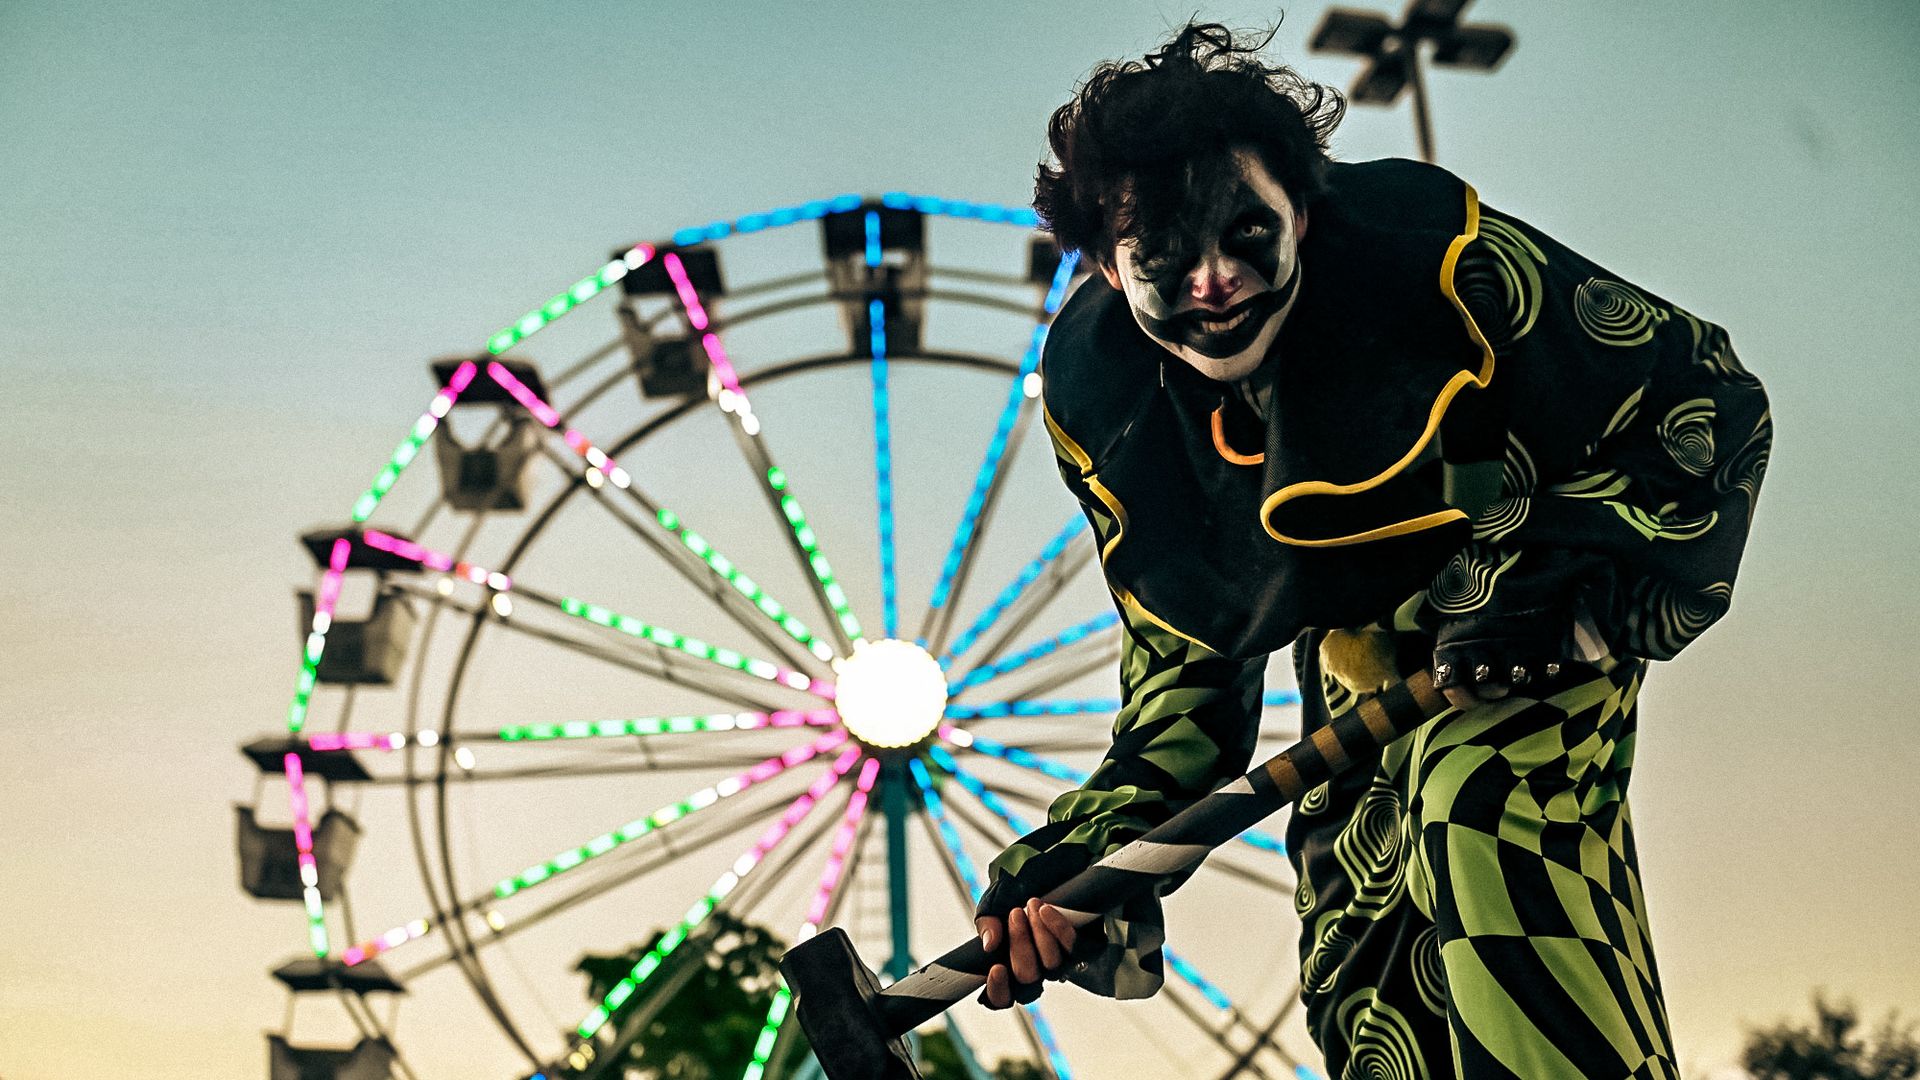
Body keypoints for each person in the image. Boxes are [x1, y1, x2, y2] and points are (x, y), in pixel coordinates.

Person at [970, 22, 1770, 1080]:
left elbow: (1702, 395)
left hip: (1525, 592)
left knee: (1476, 807)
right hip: (1357, 674)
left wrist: (1570, 584)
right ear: (1113, 276)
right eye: (1165, 256)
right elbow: (1188, 663)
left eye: (1243, 232)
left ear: (1301, 209)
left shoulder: (1441, 263)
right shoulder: (1113, 415)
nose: (1211, 280)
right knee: (1366, 976)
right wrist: (1084, 867)